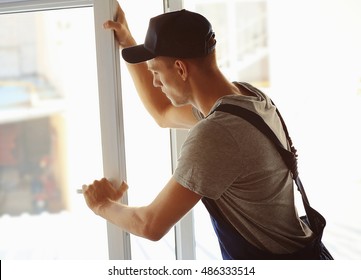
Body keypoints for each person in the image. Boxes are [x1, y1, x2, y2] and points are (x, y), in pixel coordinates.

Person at [82, 3, 315, 259]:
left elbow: (150, 225)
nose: (156, 82)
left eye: (157, 72)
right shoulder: (248, 97)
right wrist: (127, 41)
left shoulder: (217, 134)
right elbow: (162, 113)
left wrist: (101, 204)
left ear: (181, 69)